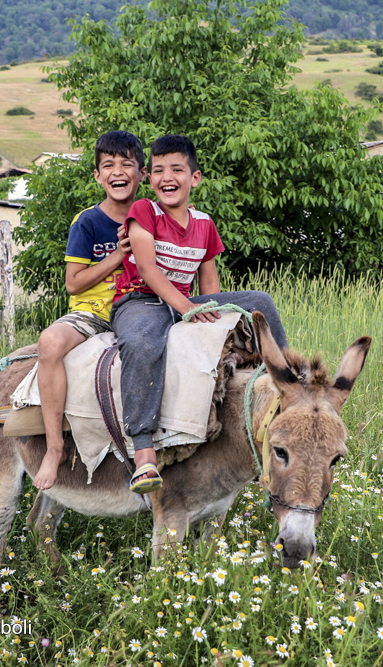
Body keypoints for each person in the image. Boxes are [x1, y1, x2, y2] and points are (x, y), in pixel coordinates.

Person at [111, 134, 288, 494]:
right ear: (149, 178)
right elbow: (147, 268)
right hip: (140, 302)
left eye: (177, 169)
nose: (167, 177)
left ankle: (287, 390)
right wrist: (188, 307)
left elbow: (209, 283)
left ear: (195, 178)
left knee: (260, 302)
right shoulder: (144, 211)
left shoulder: (204, 223)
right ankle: (143, 451)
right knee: (143, 346)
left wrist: (220, 324)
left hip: (184, 304)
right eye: (158, 170)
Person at [32, 130, 147, 490]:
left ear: (142, 173)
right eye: (108, 165)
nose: (118, 171)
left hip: (142, 309)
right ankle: (54, 448)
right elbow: (73, 283)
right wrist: (118, 256)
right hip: (93, 315)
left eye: (127, 164)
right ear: (98, 175)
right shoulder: (88, 222)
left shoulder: (153, 218)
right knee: (49, 342)